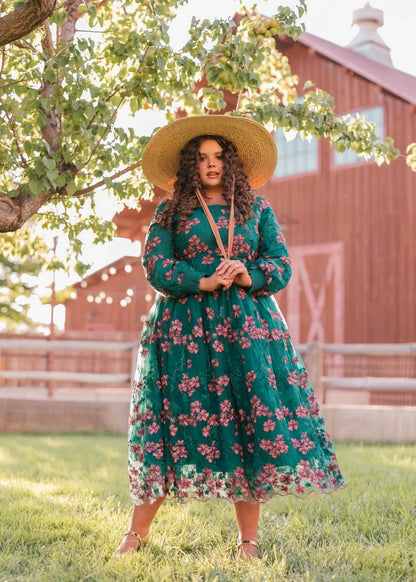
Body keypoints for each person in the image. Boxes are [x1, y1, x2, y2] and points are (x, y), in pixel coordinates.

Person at [115, 115, 346, 558]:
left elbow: (281, 264)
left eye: (219, 156)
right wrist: (200, 281)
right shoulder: (170, 211)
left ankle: (248, 541)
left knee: (248, 423)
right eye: (202, 158)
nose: (211, 164)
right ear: (190, 165)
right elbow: (155, 265)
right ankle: (136, 534)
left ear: (231, 162)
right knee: (170, 423)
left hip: (247, 331)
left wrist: (248, 273)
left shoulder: (257, 209)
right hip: (184, 331)